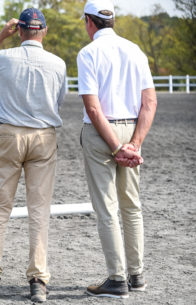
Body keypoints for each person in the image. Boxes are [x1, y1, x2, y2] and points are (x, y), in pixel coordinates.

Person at [0, 8, 66, 303]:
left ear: (21, 30)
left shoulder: (5, 57)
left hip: (10, 135)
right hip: (44, 136)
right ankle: (38, 280)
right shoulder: (58, 64)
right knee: (39, 211)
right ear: (44, 31)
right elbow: (59, 101)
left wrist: (1, 35)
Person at [77, 0, 157, 299]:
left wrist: (116, 147)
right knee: (131, 206)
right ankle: (137, 275)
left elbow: (94, 109)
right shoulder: (135, 50)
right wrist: (134, 144)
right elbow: (149, 102)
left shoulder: (88, 54)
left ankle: (117, 279)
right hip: (132, 129)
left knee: (107, 208)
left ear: (89, 21)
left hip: (102, 135)